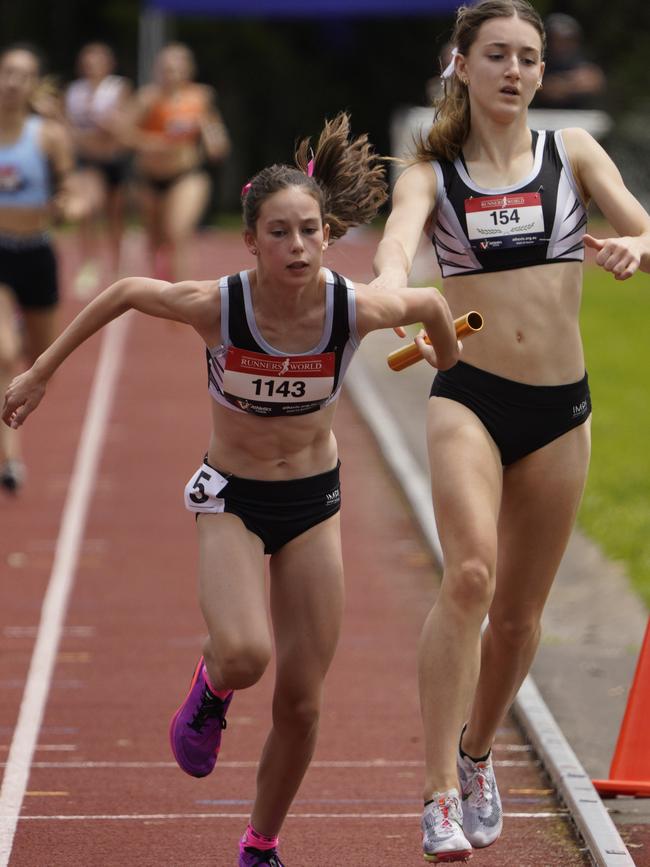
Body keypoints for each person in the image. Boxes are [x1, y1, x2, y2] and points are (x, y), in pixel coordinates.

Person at [3, 113, 460, 866]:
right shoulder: (220, 304)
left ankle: (260, 842)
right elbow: (122, 291)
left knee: (303, 700)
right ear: (250, 239)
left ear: (326, 233)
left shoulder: (353, 307)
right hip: (233, 500)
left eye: (311, 231)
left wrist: (444, 357)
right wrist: (40, 372)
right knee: (247, 653)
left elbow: (433, 307)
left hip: (314, 504)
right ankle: (212, 685)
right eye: (279, 233)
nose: (299, 247)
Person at [371, 0, 650, 861]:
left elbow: (643, 225)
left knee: (522, 615)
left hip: (562, 408)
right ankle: (437, 794)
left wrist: (639, 246)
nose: (515, 71)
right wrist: (391, 294)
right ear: (463, 63)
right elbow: (392, 255)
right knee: (471, 577)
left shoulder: (572, 154)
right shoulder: (432, 172)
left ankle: (479, 750)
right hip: (470, 394)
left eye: (527, 57)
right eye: (496, 55)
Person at [0, 43, 81, 493]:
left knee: (39, 361)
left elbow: (69, 186)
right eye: (6, 72)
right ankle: (10, 459)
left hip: (36, 253)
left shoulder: (47, 135)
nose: (12, 82)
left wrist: (69, 203)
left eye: (22, 75)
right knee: (4, 351)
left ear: (33, 85)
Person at [128, 42, 230, 282]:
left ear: (188, 71)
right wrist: (153, 143)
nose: (171, 74)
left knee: (177, 234)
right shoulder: (147, 99)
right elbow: (125, 134)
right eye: (166, 68)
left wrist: (214, 142)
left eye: (176, 68)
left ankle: (182, 297)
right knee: (155, 241)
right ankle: (160, 288)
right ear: (157, 70)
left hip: (186, 175)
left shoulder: (200, 97)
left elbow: (214, 131)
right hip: (149, 179)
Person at [65, 42, 133, 296]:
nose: (91, 66)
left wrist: (110, 127)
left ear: (108, 64)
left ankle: (117, 266)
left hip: (114, 161)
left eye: (96, 61)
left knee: (114, 217)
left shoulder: (118, 87)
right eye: (87, 62)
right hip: (88, 161)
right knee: (88, 210)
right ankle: (88, 265)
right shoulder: (74, 91)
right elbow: (68, 128)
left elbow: (124, 127)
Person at [534, 13, 605, 111]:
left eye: (568, 39)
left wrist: (563, 85)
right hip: (542, 117)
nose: (562, 45)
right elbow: (544, 89)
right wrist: (573, 83)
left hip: (579, 117)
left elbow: (594, 80)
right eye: (557, 39)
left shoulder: (579, 59)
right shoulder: (537, 60)